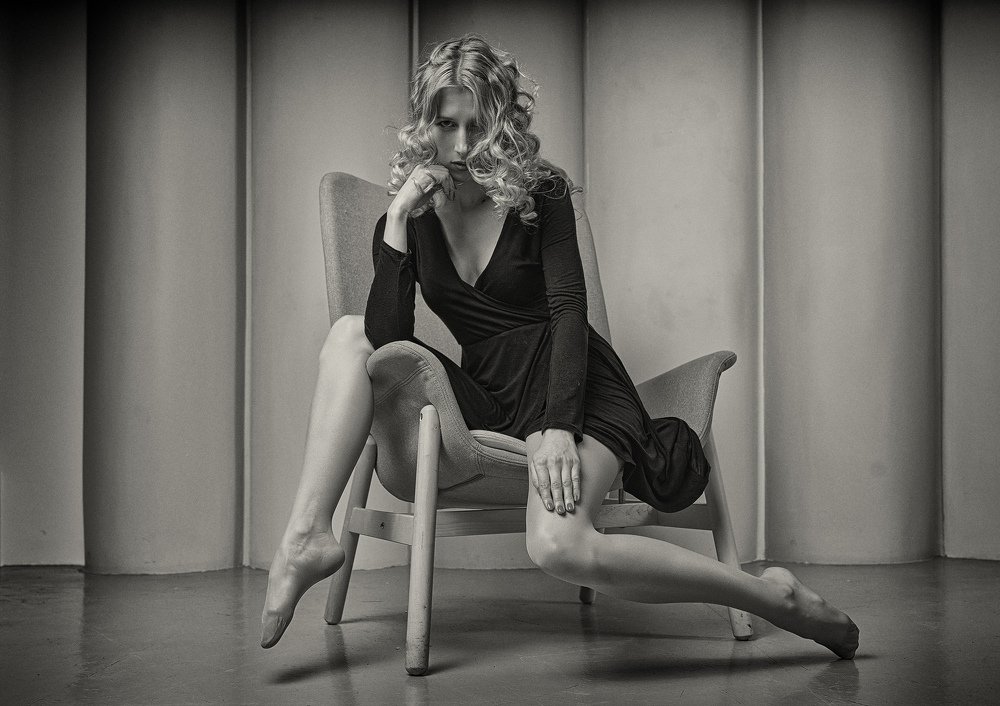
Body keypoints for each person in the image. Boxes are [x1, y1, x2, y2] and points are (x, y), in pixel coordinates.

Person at [260, 34, 859, 660]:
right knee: (349, 333)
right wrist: (399, 220)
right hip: (490, 393)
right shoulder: (410, 216)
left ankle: (771, 597)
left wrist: (556, 424)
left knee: (556, 545)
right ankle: (306, 535)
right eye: (446, 124)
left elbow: (571, 311)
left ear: (501, 123)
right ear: (424, 124)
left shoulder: (540, 192)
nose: (460, 146)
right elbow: (386, 343)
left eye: (476, 125)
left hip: (575, 386)